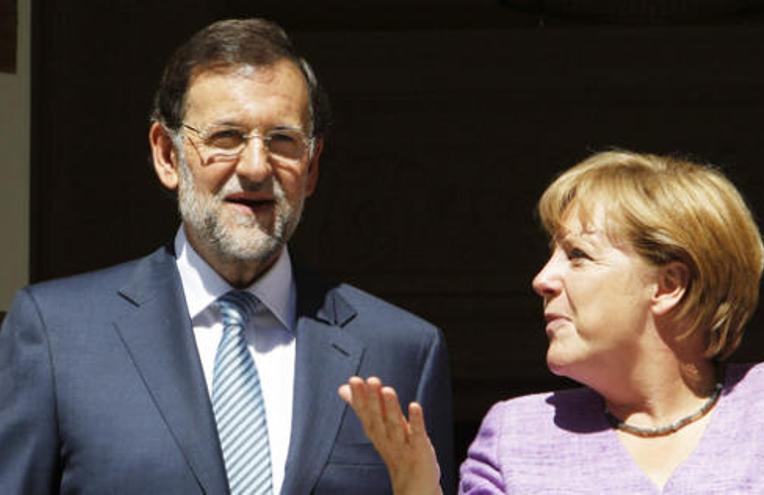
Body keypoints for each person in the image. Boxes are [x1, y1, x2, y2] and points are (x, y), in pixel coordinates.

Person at [0, 18, 455, 495]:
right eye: (226, 138)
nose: (256, 167)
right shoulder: (60, 336)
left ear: (313, 165)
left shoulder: (401, 352)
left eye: (282, 140)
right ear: (167, 156)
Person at [339, 150, 764, 493]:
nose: (543, 279)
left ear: (668, 285)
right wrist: (416, 487)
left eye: (577, 256)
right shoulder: (516, 434)